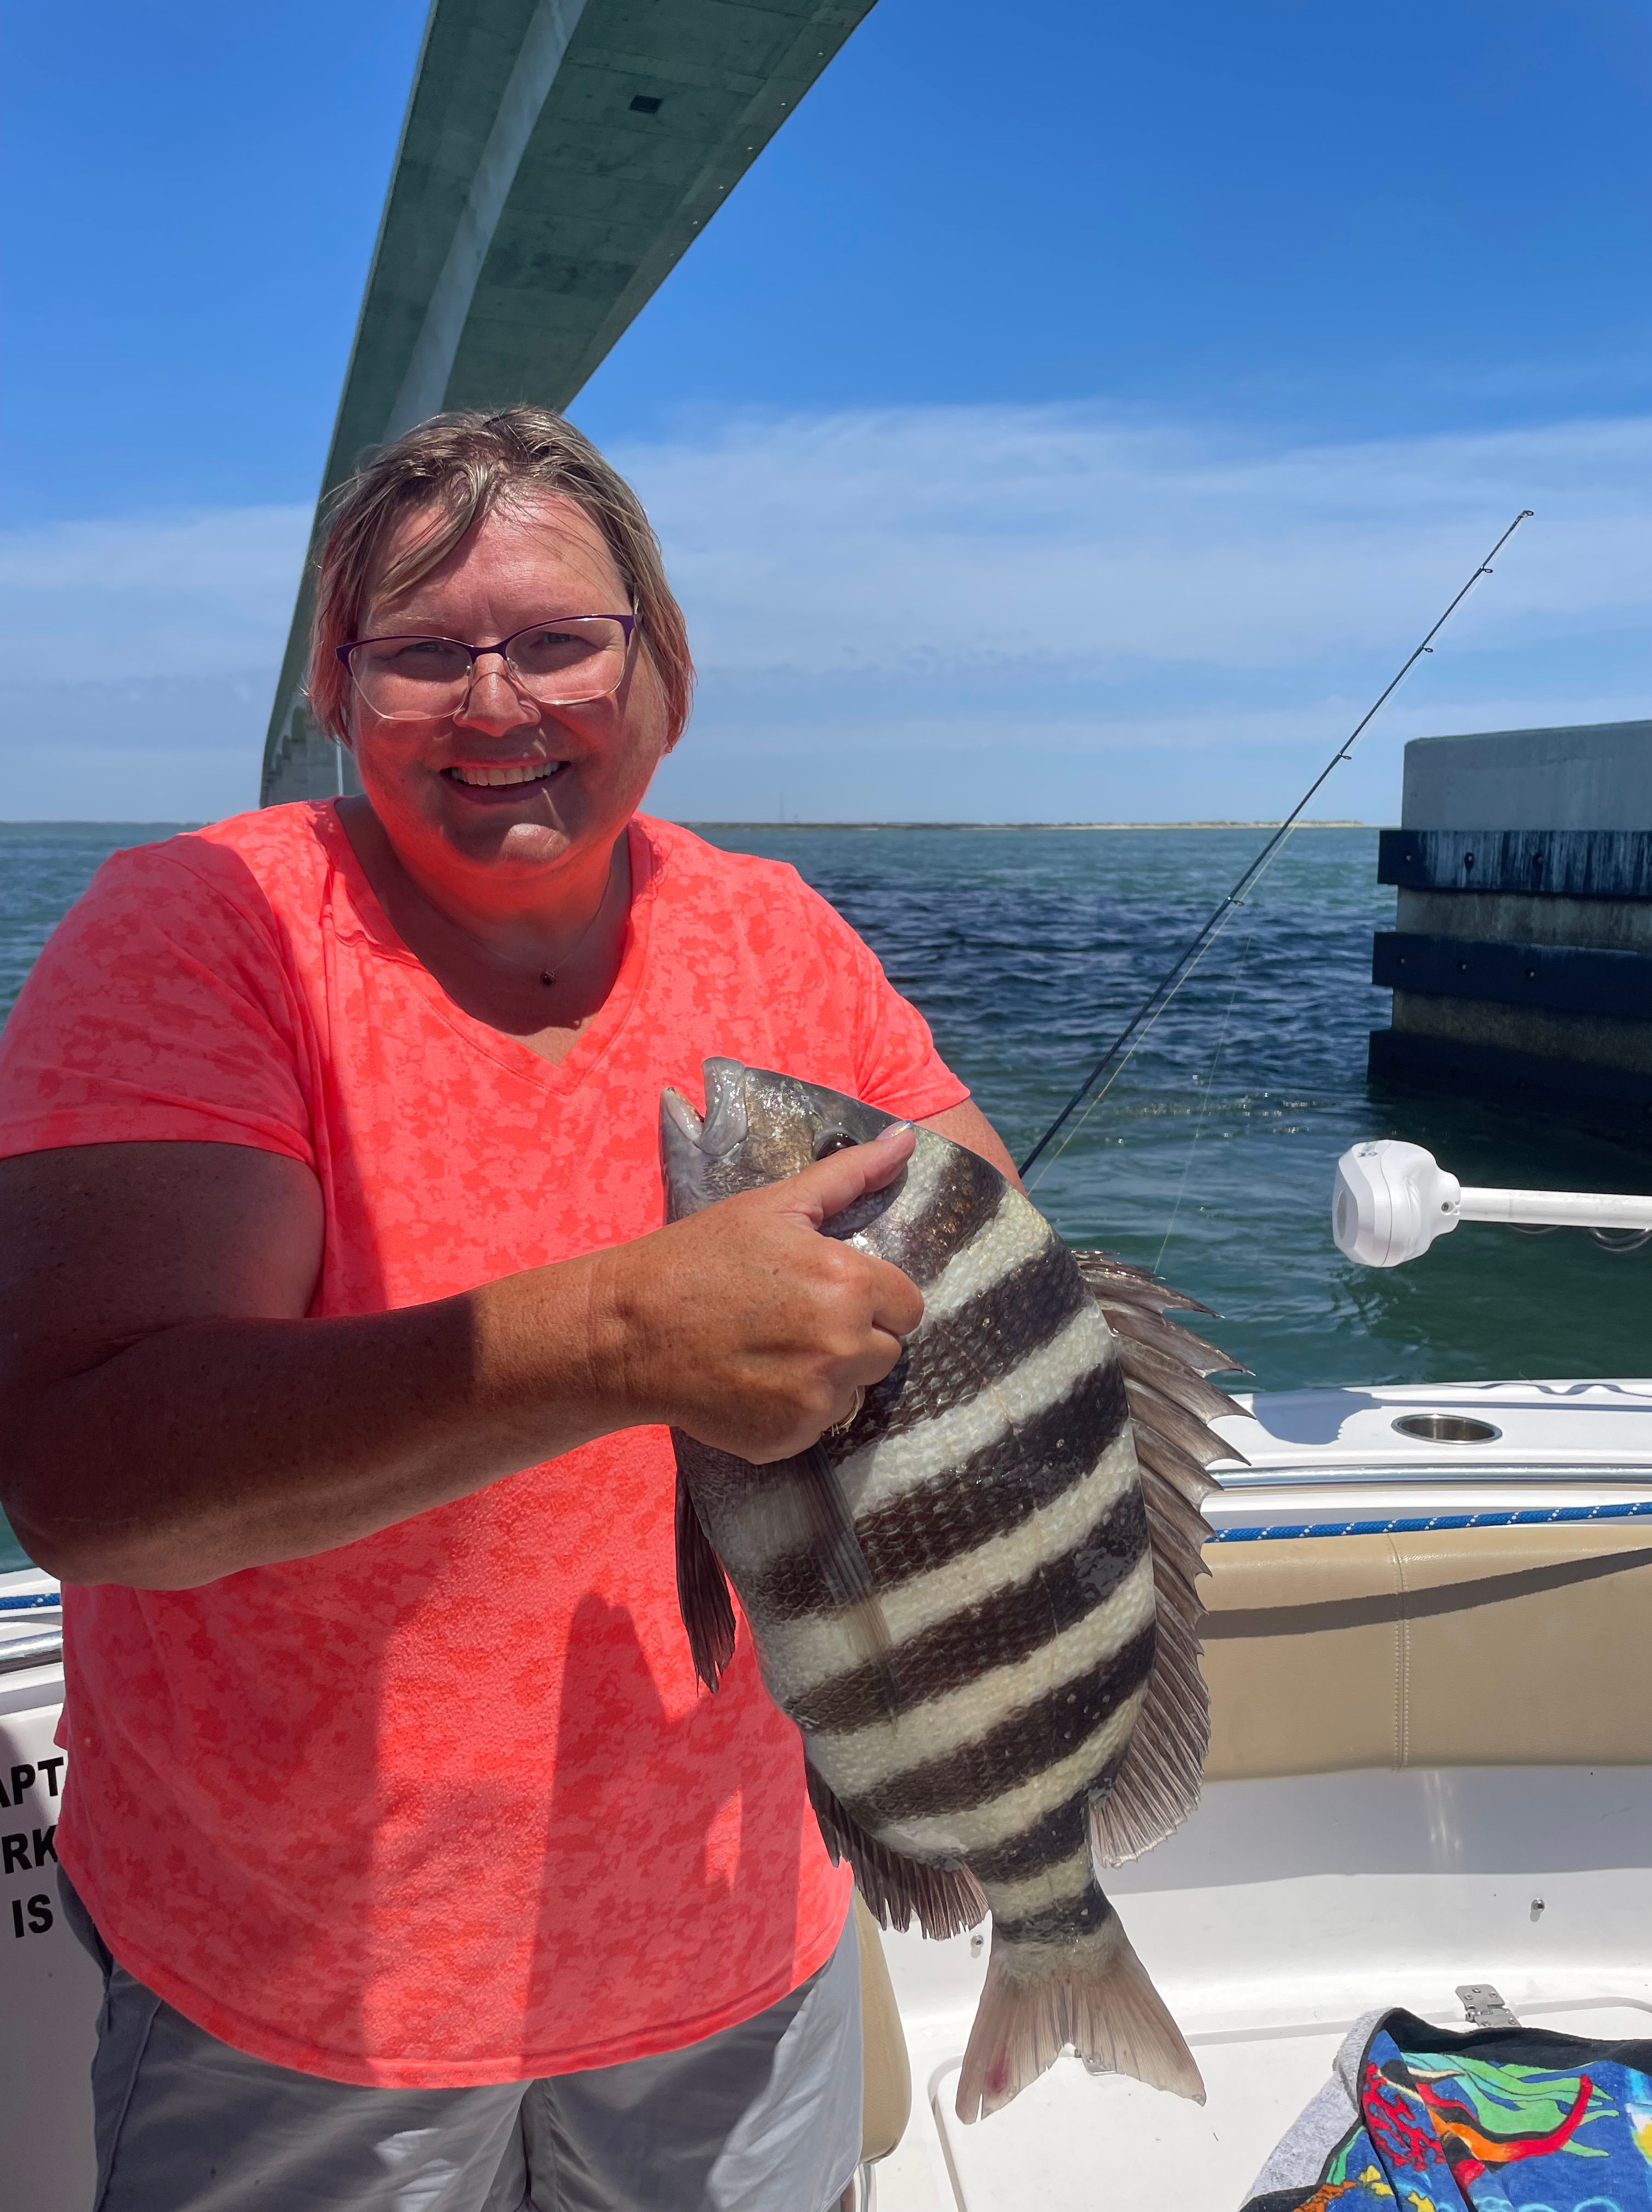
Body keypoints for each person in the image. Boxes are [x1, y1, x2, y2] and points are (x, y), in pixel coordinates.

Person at [0, 407, 1019, 2212]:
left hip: (736, 1938)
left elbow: (998, 1294)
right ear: (335, 685)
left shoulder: (779, 934)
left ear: (664, 668)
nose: (496, 702)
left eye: (557, 640)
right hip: (304, 1994)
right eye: (421, 653)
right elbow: (92, 1482)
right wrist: (621, 1338)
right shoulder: (204, 932)